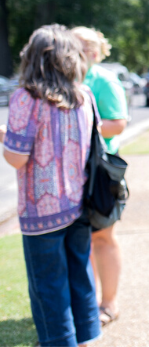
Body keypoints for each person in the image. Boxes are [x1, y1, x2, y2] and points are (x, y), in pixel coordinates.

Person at [0, 24, 102, 347]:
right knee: (80, 280)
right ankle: (87, 340)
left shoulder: (26, 98)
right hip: (79, 203)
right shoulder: (84, 96)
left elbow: (17, 158)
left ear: (33, 58)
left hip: (41, 212)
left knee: (49, 288)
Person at [72, 27, 128, 326]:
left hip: (100, 171)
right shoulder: (66, 77)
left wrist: (79, 126)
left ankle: (109, 303)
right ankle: (88, 302)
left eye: (81, 47)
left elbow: (118, 124)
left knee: (103, 236)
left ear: (94, 52)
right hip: (72, 170)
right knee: (81, 239)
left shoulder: (103, 79)